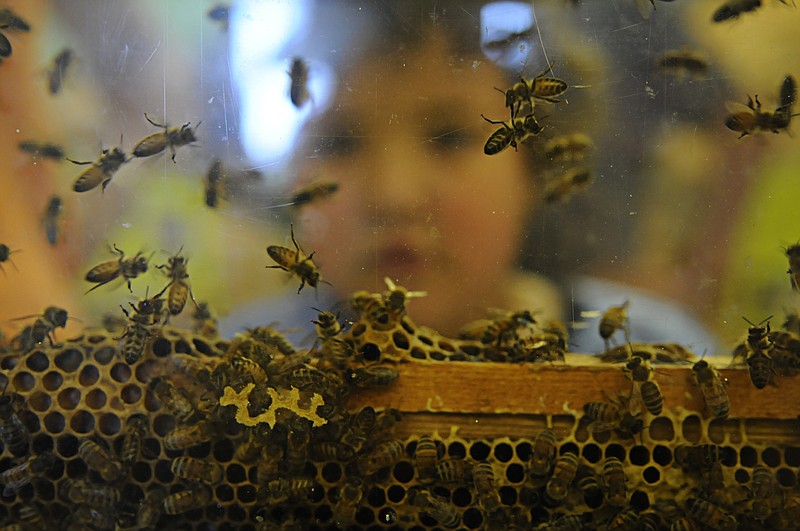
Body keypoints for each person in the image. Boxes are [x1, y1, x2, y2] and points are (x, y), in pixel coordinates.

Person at [221, 0, 721, 354]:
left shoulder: (652, 347)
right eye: (340, 143)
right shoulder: (250, 353)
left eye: (448, 138)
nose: (395, 195)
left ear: (536, 163)